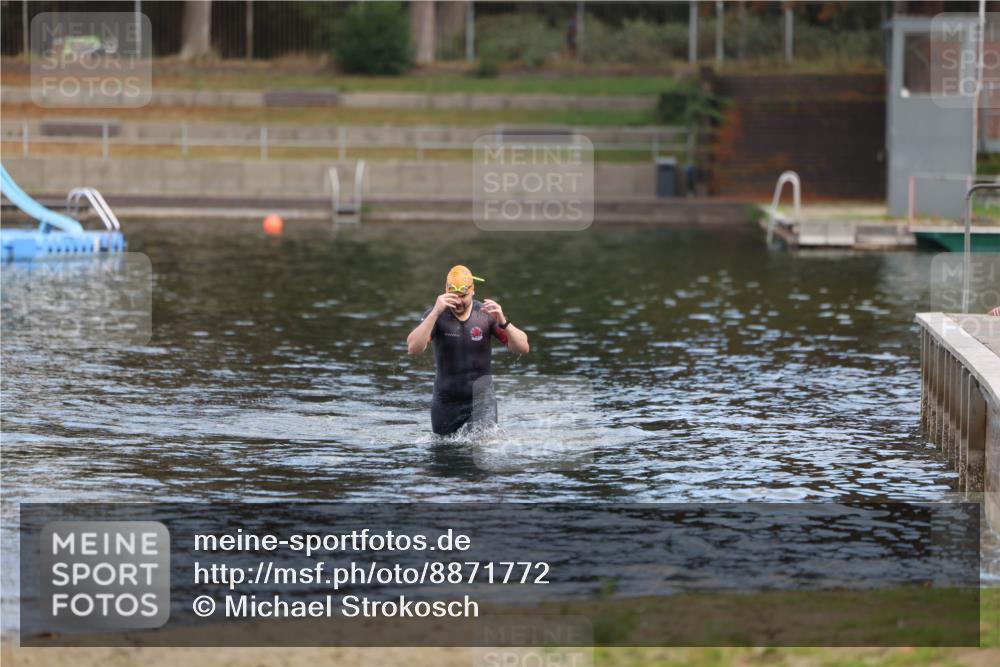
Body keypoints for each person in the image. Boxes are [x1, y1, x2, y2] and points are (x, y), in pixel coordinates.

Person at [407, 265, 529, 436]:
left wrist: (503, 321)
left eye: (463, 296)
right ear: (445, 291)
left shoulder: (486, 315)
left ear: (473, 290)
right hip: (446, 402)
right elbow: (413, 348)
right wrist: (434, 313)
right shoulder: (436, 316)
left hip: (482, 401)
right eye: (453, 296)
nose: (458, 301)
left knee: (482, 446)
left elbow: (522, 348)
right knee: (446, 454)